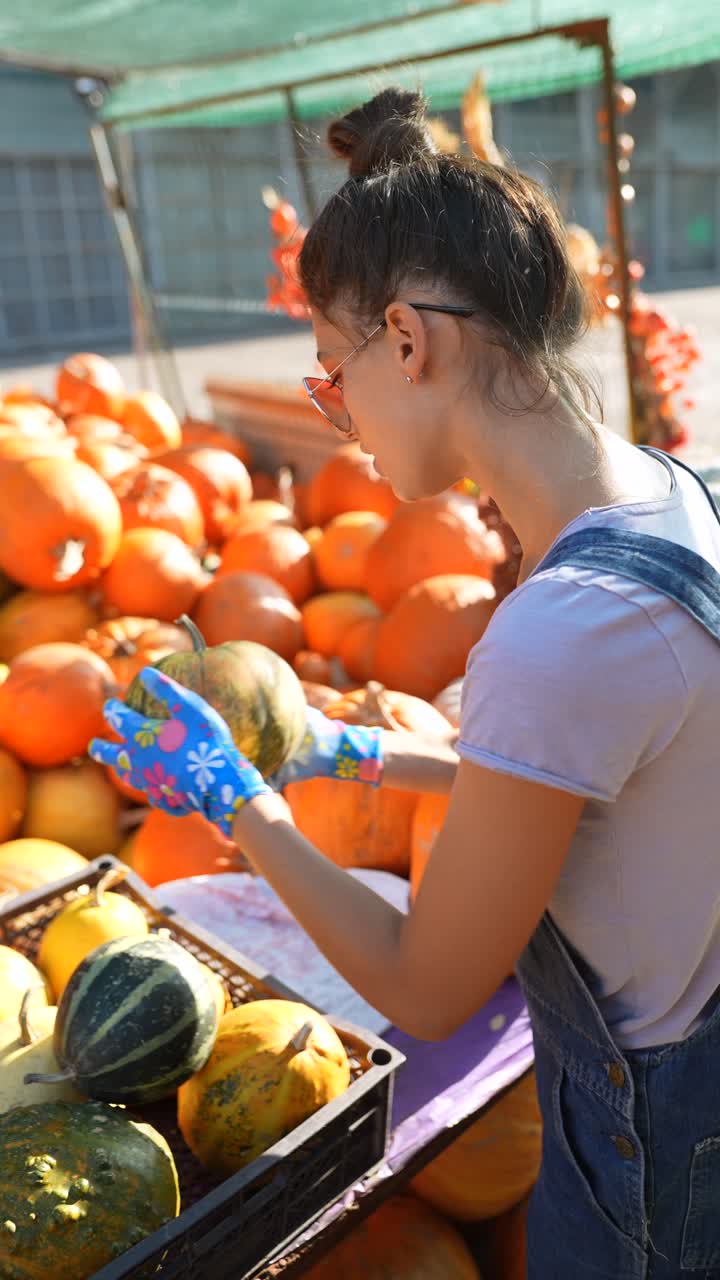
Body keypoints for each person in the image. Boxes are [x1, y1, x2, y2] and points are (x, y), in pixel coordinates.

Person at [90, 89, 720, 1278]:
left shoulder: (559, 631)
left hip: (654, 1153)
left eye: (334, 375)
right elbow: (605, 790)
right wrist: (366, 755)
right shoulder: (669, 490)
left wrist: (244, 805)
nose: (341, 418)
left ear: (409, 340)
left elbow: (426, 985)